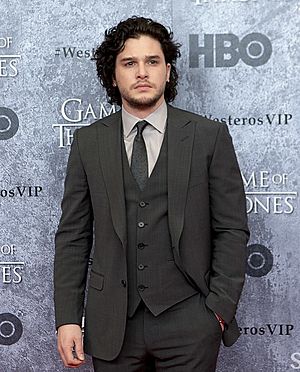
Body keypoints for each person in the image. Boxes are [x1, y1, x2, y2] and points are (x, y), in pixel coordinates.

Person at [54, 16, 249, 371]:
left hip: (191, 322)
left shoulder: (208, 137)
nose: (142, 72)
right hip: (113, 323)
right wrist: (67, 317)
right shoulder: (88, 143)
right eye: (129, 63)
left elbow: (232, 229)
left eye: (152, 61)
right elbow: (73, 237)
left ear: (168, 71)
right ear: (113, 76)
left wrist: (218, 311)